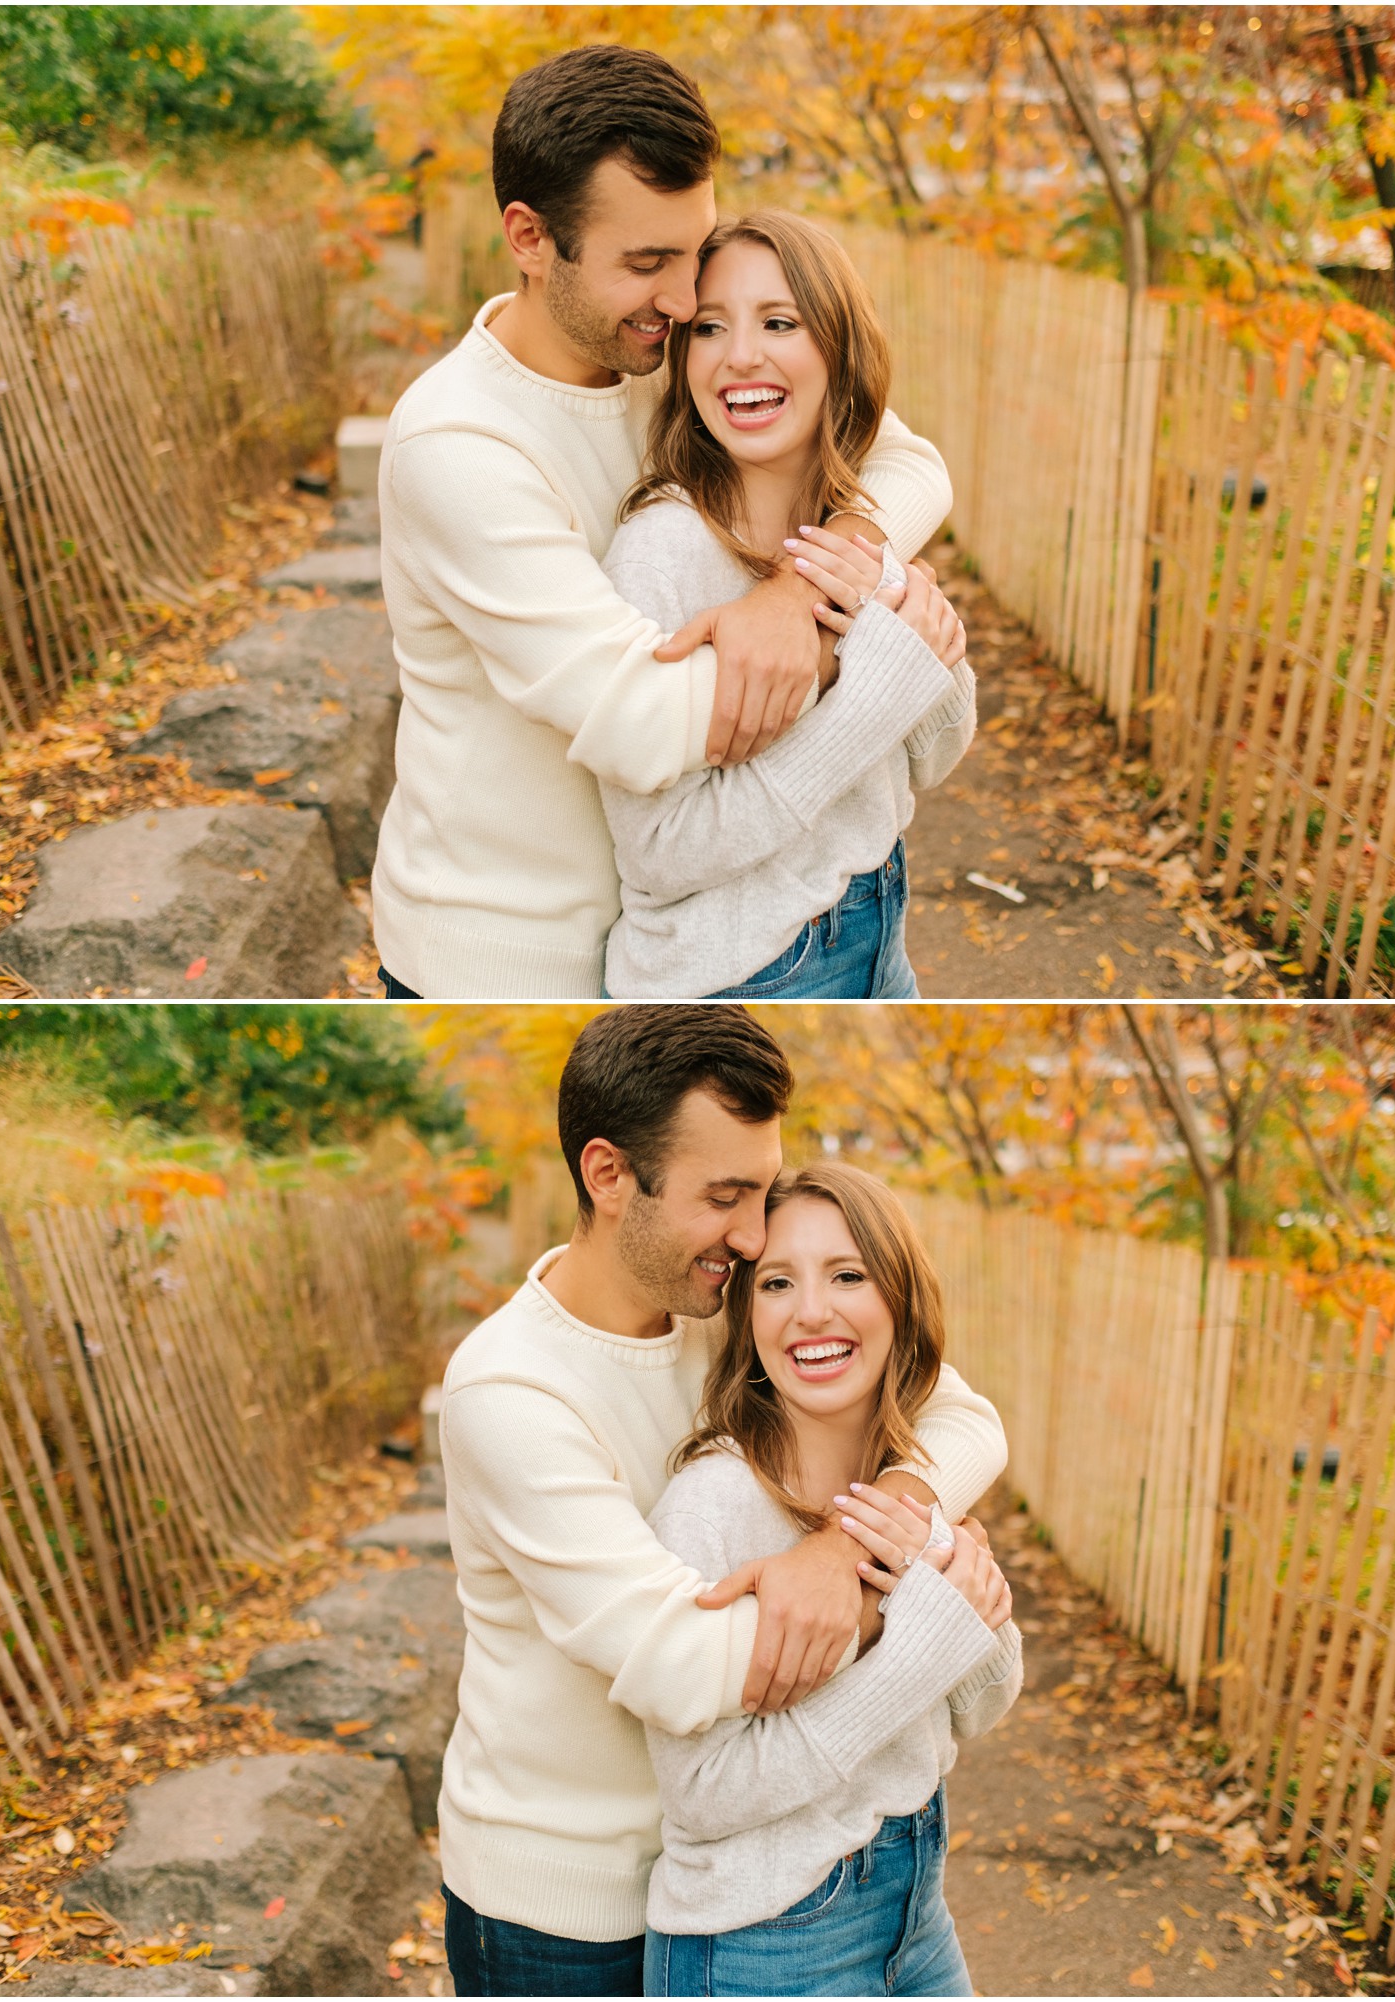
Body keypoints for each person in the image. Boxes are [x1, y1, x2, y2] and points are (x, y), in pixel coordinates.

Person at [436, 1007, 1009, 1996]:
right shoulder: (511, 1390)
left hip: (748, 1873)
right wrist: (913, 1596)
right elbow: (683, 1659)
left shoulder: (721, 1306)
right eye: (725, 1196)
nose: (753, 1236)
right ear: (610, 1176)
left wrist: (861, 1537)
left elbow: (963, 1418)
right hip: (567, 1906)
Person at [372, 45, 955, 1001]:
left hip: (688, 937)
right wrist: (879, 651)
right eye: (647, 263)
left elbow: (905, 460)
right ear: (529, 237)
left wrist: (799, 584)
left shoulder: (670, 364)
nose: (686, 303)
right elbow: (647, 721)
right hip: (515, 957)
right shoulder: (459, 444)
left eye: (694, 249)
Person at [643, 1163, 1022, 1996]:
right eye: (777, 1282)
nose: (812, 1310)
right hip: (766, 1942)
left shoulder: (913, 1481)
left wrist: (966, 1618)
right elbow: (702, 1793)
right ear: (748, 1317)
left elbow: (981, 1704)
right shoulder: (711, 1506)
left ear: (898, 1300)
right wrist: (926, 1642)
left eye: (847, 1275)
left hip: (915, 1907)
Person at [600, 212, 976, 1001]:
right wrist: (875, 690)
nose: (741, 356)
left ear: (838, 351)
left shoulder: (858, 526)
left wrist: (924, 656)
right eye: (709, 328)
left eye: (779, 322)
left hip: (878, 926)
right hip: (746, 970)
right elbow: (659, 851)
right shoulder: (663, 550)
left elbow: (933, 759)